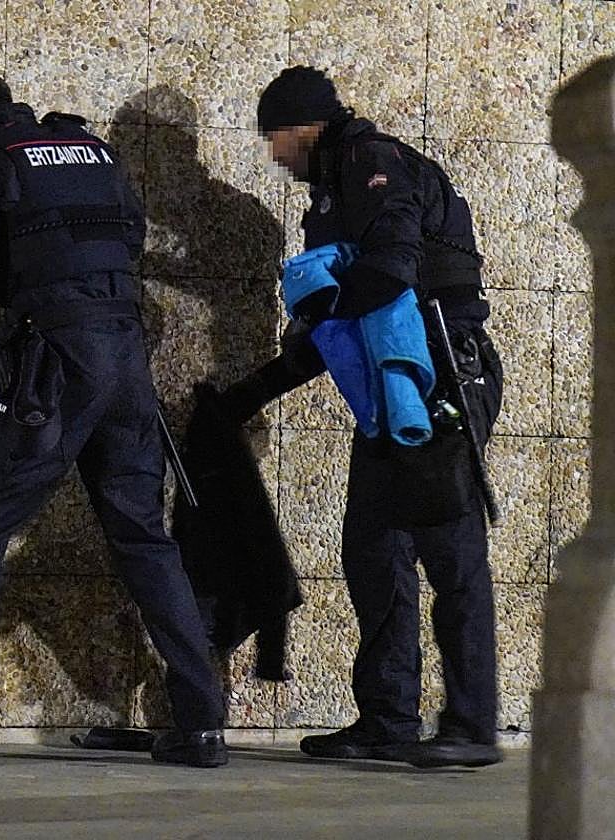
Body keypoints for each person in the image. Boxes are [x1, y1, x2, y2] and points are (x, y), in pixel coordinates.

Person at [0, 67, 227, 769]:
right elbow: (130, 236)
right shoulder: (91, 152)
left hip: (54, 368)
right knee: (144, 538)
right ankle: (202, 723)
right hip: (126, 361)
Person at [206, 66, 504, 769]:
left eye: (275, 138)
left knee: (450, 555)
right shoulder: (331, 191)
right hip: (388, 389)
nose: (274, 154)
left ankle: (471, 725)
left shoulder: (372, 162)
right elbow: (332, 327)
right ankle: (388, 719)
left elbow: (393, 268)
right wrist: (247, 395)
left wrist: (328, 308)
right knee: (373, 552)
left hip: (440, 375)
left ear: (302, 125)